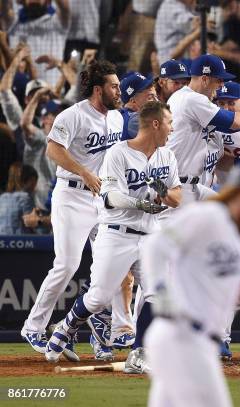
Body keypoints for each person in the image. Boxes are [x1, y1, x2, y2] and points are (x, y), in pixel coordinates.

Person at [143, 161, 240, 406]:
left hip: (201, 341)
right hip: (181, 334)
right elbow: (156, 246)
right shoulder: (207, 215)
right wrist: (161, 291)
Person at [45, 101, 182, 363]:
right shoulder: (118, 154)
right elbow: (110, 197)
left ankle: (139, 352)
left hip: (151, 235)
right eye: (169, 123)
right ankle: (66, 327)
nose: (172, 129)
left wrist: (162, 192)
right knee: (98, 297)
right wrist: (140, 203)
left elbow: (177, 197)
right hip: (117, 234)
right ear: (155, 124)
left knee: (159, 293)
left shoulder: (168, 155)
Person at [21, 60, 123, 360]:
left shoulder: (116, 118)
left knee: (110, 263)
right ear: (97, 89)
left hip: (101, 199)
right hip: (72, 197)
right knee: (66, 265)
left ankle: (74, 329)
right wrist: (84, 173)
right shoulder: (74, 114)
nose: (117, 90)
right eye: (113, 85)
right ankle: (33, 327)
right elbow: (53, 150)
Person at [165, 53, 240, 206]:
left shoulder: (182, 97)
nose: (222, 85)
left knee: (225, 212)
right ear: (204, 79)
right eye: (219, 80)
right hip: (180, 185)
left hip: (190, 184)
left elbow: (228, 138)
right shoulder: (192, 99)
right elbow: (238, 122)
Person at [8, 0, 70, 84]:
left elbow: (65, 8)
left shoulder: (58, 22)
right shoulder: (12, 23)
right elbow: (5, 8)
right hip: (18, 93)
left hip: (52, 92)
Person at [20, 93, 58, 209]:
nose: (60, 117)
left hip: (55, 204)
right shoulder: (40, 137)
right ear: (45, 119)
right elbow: (25, 124)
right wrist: (37, 97)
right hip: (37, 206)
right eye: (55, 115)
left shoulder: (64, 142)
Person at [154, 0, 197, 65]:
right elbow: (193, 24)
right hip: (170, 61)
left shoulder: (178, 5)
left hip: (176, 60)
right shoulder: (171, 6)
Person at [0, 163, 38, 234]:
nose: (35, 187)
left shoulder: (2, 197)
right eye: (33, 183)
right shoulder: (24, 198)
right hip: (20, 240)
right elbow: (33, 223)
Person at [119, 72, 157, 140]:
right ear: (133, 101)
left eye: (156, 97)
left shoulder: (121, 115)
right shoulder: (134, 120)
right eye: (150, 97)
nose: (156, 101)